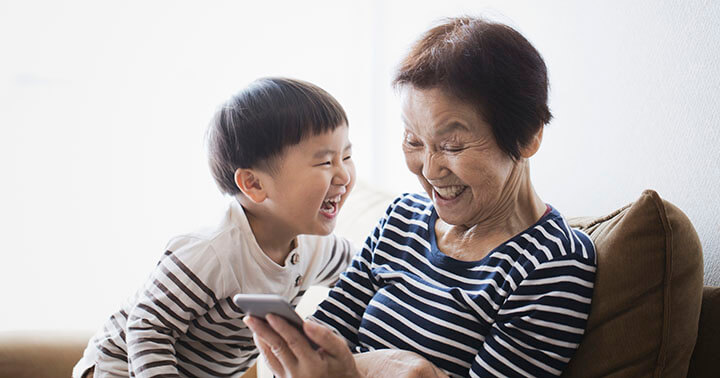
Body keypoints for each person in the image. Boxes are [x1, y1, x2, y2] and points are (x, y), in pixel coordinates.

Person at [244, 17, 597, 378]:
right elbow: (319, 343)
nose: (428, 170)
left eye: (451, 145)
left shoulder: (553, 262)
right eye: (413, 140)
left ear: (528, 136)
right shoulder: (401, 219)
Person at [72, 77, 357, 378]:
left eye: (347, 157)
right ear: (255, 184)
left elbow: (366, 273)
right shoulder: (214, 252)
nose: (344, 175)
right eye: (325, 163)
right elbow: (148, 325)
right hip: (121, 364)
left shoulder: (319, 248)